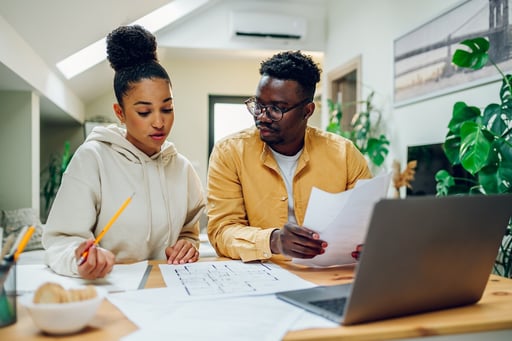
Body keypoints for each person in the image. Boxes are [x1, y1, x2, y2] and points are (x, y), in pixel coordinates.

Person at [43, 25, 206, 279]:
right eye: (144, 112)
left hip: (170, 289)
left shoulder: (182, 168)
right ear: (120, 113)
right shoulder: (92, 159)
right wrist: (81, 259)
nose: (159, 122)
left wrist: (188, 244)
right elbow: (60, 242)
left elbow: (189, 231)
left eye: (167, 108)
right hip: (109, 288)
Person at [207, 50, 372, 262]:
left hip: (329, 274)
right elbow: (222, 231)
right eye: (258, 106)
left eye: (276, 109)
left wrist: (368, 242)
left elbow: (368, 223)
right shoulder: (229, 152)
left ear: (307, 111)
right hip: (263, 277)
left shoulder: (345, 155)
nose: (262, 117)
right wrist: (273, 240)